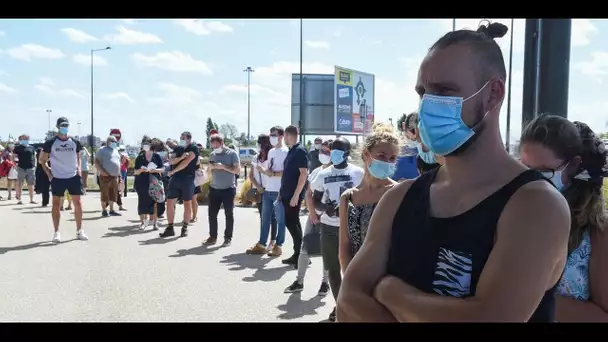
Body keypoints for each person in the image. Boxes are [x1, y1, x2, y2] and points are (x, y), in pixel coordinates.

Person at [337, 22, 570, 322]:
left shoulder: (536, 206)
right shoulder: (399, 198)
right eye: (423, 93)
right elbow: (348, 302)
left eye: (444, 91)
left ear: (493, 94)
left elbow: (490, 319)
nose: (427, 106)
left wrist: (393, 293)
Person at [519, 115, 608, 322]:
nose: (530, 179)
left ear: (573, 166)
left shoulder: (597, 232)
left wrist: (528, 297)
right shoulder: (514, 214)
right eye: (524, 168)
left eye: (542, 171)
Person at [311, 136, 365, 322]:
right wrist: (324, 207)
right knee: (333, 270)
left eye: (338, 150)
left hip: (353, 228)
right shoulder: (322, 175)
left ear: (347, 154)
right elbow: (315, 198)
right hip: (329, 227)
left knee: (353, 270)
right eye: (332, 149)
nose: (333, 153)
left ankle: (355, 307)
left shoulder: (359, 173)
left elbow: (366, 196)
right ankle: (340, 307)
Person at [284, 139, 333, 296]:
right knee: (305, 250)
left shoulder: (337, 173)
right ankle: (299, 281)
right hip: (314, 217)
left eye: (327, 152)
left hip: (330, 220)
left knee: (327, 252)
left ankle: (325, 283)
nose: (324, 154)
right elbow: (309, 193)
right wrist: (312, 213)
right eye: (322, 151)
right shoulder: (317, 171)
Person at [39, 117, 87, 243]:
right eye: (62, 125)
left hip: (73, 176)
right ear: (58, 127)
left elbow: (78, 157)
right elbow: (42, 160)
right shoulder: (51, 142)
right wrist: (49, 173)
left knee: (78, 203)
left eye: (66, 125)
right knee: (56, 204)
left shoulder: (75, 142)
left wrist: (79, 170)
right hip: (58, 177)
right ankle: (56, 232)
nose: (64, 127)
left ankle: (79, 230)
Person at [251, 126, 288, 256]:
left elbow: (287, 173)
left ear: (281, 136)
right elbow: (269, 171)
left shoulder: (286, 152)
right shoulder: (271, 152)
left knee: (280, 220)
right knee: (265, 219)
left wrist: (271, 173)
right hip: (268, 189)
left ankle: (278, 246)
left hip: (279, 191)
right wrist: (263, 171)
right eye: (271, 135)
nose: (272, 137)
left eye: (274, 135)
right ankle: (261, 244)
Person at [203, 133, 240, 246]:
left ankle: (228, 238)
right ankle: (213, 236)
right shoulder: (213, 154)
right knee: (212, 214)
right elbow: (209, 171)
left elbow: (237, 170)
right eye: (213, 146)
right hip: (214, 189)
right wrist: (209, 168)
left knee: (229, 214)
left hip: (228, 189)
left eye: (216, 145)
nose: (214, 148)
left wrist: (223, 166)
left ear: (222, 143)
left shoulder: (232, 154)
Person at [279, 125, 309, 266]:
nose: (283, 139)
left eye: (284, 136)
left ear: (288, 135)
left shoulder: (300, 151)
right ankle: (299, 254)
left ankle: (302, 255)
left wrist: (296, 195)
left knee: (292, 223)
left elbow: (303, 174)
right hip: (287, 194)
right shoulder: (292, 151)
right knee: (292, 222)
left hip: (293, 195)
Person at [160, 132, 199, 238]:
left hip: (187, 179)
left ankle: (185, 227)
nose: (181, 140)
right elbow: (171, 161)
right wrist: (181, 157)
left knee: (187, 203)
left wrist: (173, 171)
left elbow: (187, 162)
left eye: (183, 138)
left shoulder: (193, 148)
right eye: (180, 138)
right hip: (175, 179)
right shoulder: (178, 149)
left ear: (189, 139)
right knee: (170, 202)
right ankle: (170, 227)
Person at [246, 134, 278, 255]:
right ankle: (262, 243)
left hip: (273, 190)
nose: (259, 145)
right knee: (264, 218)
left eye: (260, 143)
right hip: (260, 191)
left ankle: (273, 242)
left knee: (273, 217)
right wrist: (258, 186)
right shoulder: (256, 158)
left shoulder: (272, 156)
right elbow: (251, 175)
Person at [134, 137, 164, 230]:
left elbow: (162, 169)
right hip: (142, 181)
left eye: (147, 144)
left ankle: (155, 223)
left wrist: (155, 170)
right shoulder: (140, 157)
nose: (145, 146)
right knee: (142, 202)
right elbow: (135, 171)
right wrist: (141, 170)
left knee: (155, 202)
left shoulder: (156, 156)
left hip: (154, 181)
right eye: (144, 144)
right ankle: (143, 222)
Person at [95, 136, 122, 217]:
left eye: (115, 141)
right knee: (104, 194)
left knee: (112, 194)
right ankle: (104, 210)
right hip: (105, 176)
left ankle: (111, 210)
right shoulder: (102, 150)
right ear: (108, 141)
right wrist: (102, 171)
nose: (114, 142)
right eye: (112, 141)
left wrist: (119, 175)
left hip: (114, 177)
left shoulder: (116, 151)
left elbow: (118, 162)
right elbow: (96, 161)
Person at [13, 134, 37, 204]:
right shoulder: (17, 148)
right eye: (24, 138)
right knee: (20, 184)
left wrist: (35, 165)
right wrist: (14, 165)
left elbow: (34, 157)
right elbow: (12, 157)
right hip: (21, 168)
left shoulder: (32, 147)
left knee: (31, 184)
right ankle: (19, 199)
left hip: (31, 168)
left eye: (27, 138)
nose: (25, 139)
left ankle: (31, 199)